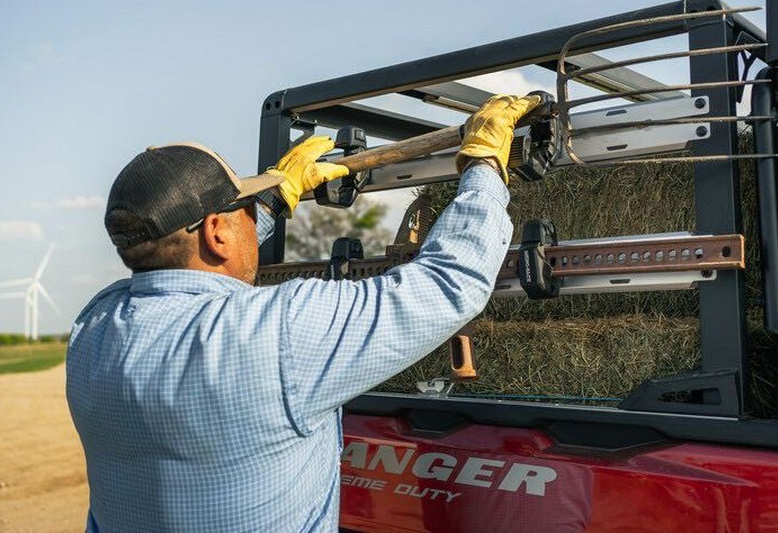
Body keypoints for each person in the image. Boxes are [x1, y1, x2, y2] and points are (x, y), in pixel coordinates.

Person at [66, 94, 541, 532]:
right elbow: (447, 282)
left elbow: (198, 256)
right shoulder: (281, 330)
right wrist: (483, 162)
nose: (255, 217)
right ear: (216, 232)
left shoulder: (93, 330)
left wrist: (272, 198)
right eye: (247, 210)